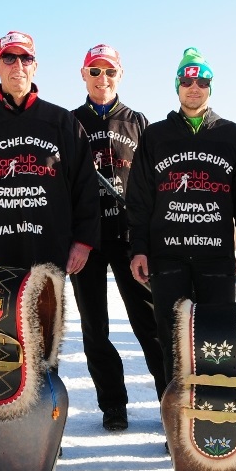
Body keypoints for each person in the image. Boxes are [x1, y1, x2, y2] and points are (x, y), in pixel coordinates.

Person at [127, 47, 236, 391]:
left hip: (215, 255)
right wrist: (138, 248)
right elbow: (139, 198)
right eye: (187, 81)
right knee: (172, 339)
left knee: (216, 337)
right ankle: (175, 418)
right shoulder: (156, 135)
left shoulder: (231, 134)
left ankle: (213, 412)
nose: (194, 87)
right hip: (166, 256)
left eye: (201, 81)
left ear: (210, 87)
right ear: (177, 87)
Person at [0, 31, 99, 275]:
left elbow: (85, 186)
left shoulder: (62, 122)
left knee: (44, 315)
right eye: (8, 58)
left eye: (25, 59)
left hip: (49, 253)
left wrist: (83, 242)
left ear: (35, 67)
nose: (17, 65)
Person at [70, 43, 166, 431]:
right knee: (96, 327)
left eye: (109, 71)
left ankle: (168, 399)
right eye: (95, 71)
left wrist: (148, 236)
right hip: (88, 241)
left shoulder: (138, 121)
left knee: (149, 323)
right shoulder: (70, 122)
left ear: (120, 75)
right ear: (83, 75)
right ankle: (113, 404)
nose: (102, 78)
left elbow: (154, 182)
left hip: (130, 239)